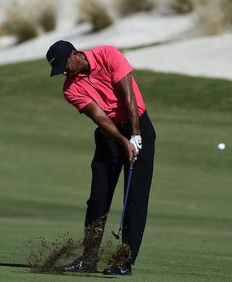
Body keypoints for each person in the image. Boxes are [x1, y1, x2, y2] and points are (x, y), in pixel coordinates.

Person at [46, 40, 156, 276]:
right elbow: (100, 118)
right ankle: (89, 259)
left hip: (139, 127)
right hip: (110, 135)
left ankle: (124, 261)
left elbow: (129, 95)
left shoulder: (108, 54)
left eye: (64, 66)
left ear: (75, 54)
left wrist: (135, 135)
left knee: (135, 199)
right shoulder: (70, 89)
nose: (64, 73)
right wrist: (123, 141)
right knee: (98, 198)